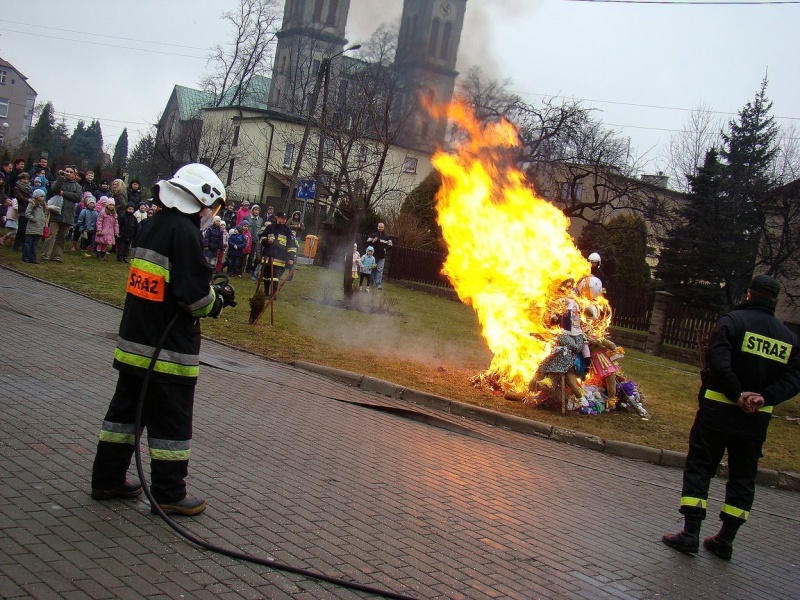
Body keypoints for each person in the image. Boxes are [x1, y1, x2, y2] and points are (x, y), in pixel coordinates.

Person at [90, 163, 234, 517]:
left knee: (124, 417)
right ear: (201, 201)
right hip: (167, 353)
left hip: (134, 342)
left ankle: (107, 479)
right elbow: (195, 301)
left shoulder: (150, 225)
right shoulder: (185, 234)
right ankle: (169, 493)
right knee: (171, 422)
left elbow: (164, 285)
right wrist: (220, 300)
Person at [662, 275, 800, 561]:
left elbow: (719, 361)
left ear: (749, 294)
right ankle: (725, 540)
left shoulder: (733, 321)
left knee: (701, 468)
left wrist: (736, 393)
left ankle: (690, 533)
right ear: (774, 300)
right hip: (755, 420)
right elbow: (794, 378)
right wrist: (764, 398)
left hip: (717, 413)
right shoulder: (788, 338)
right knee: (743, 478)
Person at [42, 166, 82, 262]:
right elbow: (54, 190)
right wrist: (60, 179)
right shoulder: (58, 181)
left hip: (68, 214)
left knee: (62, 237)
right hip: (56, 213)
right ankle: (45, 255)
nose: (68, 173)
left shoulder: (77, 186)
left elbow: (78, 197)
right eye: (66, 171)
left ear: (74, 174)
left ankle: (56, 256)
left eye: (70, 172)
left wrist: (63, 193)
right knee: (51, 235)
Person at [258, 211, 297, 296]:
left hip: (280, 259)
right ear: (277, 218)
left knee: (275, 278)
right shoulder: (270, 227)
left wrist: (290, 258)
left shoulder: (287, 231)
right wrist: (267, 241)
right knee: (266, 277)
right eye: (282, 218)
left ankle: (273, 294)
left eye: (285, 219)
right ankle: (266, 293)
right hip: (268, 257)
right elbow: (261, 238)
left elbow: (291, 246)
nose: (284, 220)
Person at [22, 189, 46, 263]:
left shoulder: (42, 205)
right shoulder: (32, 204)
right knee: (28, 243)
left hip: (39, 227)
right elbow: (27, 213)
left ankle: (33, 257)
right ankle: (26, 257)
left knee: (35, 244)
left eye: (43, 196)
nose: (43, 198)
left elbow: (43, 216)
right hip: (32, 226)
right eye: (41, 196)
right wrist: (33, 219)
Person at [366, 222, 392, 289]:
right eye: (379, 227)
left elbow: (390, 245)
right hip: (373, 256)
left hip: (382, 256)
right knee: (371, 269)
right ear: (377, 227)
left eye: (382, 227)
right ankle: (370, 282)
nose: (380, 228)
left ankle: (378, 284)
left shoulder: (387, 237)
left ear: (384, 228)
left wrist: (385, 250)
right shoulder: (373, 235)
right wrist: (373, 241)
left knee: (379, 270)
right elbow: (367, 242)